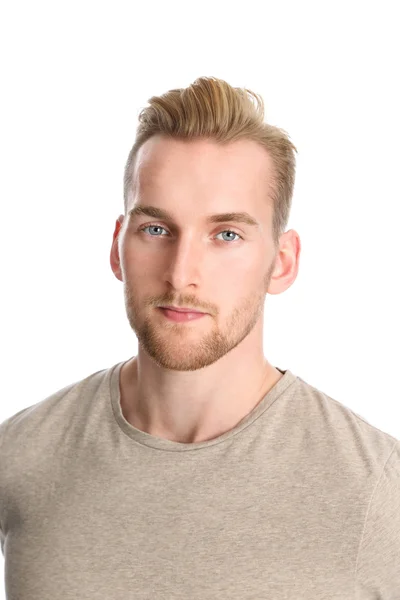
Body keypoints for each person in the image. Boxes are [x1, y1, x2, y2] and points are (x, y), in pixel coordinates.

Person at [0, 76, 399, 600]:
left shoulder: (378, 491)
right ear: (118, 247)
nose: (181, 273)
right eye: (157, 230)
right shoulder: (20, 457)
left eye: (226, 234)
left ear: (282, 262)